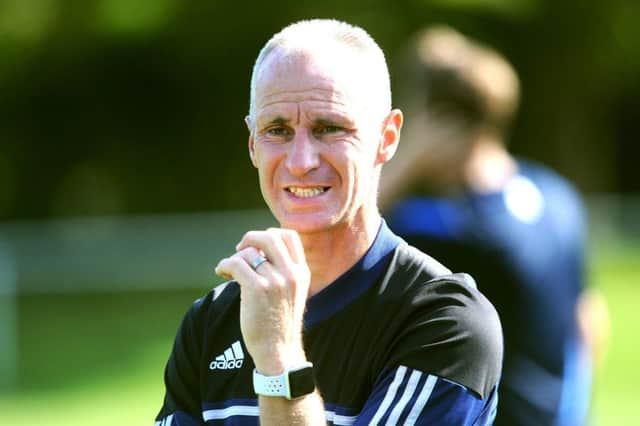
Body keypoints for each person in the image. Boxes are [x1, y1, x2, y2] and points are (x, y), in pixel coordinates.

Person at [155, 19, 503, 426]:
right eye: (277, 130)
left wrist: (279, 357)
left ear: (386, 138)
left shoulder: (445, 322)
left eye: (329, 128)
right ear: (253, 144)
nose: (301, 161)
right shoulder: (211, 321)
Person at [381, 26, 606, 425]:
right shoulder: (555, 194)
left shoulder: (447, 227)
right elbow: (589, 320)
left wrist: (407, 161)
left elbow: (320, 245)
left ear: (439, 122)